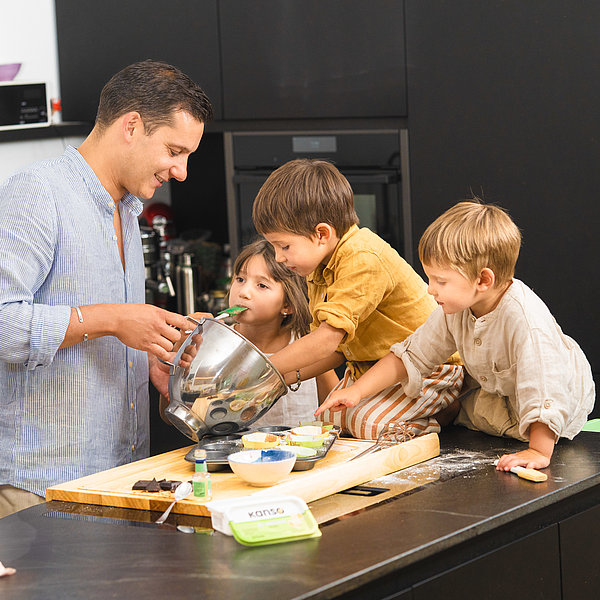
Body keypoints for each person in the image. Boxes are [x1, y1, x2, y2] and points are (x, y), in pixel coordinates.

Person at [0, 60, 213, 518]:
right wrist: (115, 319)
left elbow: (102, 334)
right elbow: (3, 322)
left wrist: (152, 355)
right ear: (131, 126)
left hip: (119, 475)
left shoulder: (126, 208)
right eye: (174, 151)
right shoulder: (37, 193)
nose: (181, 171)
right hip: (44, 484)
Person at [318, 200, 595, 470]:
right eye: (430, 278)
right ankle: (455, 411)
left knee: (525, 410)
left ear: (483, 280)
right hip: (499, 391)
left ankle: (519, 432)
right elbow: (411, 355)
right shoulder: (456, 308)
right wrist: (356, 391)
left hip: (556, 401)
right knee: (339, 415)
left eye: (440, 281)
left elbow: (545, 388)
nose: (430, 289)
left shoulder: (526, 321)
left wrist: (538, 451)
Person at [252, 159, 464, 440]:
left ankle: (445, 411)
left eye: (284, 246)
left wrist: (256, 369)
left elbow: (325, 341)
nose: (279, 257)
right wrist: (279, 378)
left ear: (321, 234)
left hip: (426, 370)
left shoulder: (362, 258)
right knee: (328, 421)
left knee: (367, 426)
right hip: (371, 370)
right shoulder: (318, 268)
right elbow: (334, 351)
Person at [227, 239, 338, 426]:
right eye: (240, 279)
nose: (243, 292)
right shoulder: (218, 345)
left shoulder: (310, 347)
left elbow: (335, 412)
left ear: (287, 305)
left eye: (262, 285)